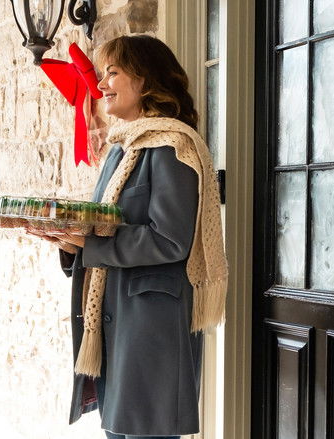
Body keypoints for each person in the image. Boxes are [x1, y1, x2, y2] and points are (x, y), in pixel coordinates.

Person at [30, 35, 228, 438]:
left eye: (113, 73)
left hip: (151, 330)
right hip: (117, 326)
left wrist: (92, 245)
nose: (101, 84)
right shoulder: (121, 150)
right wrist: (70, 243)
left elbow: (170, 240)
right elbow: (103, 228)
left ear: (145, 80)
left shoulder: (172, 147)